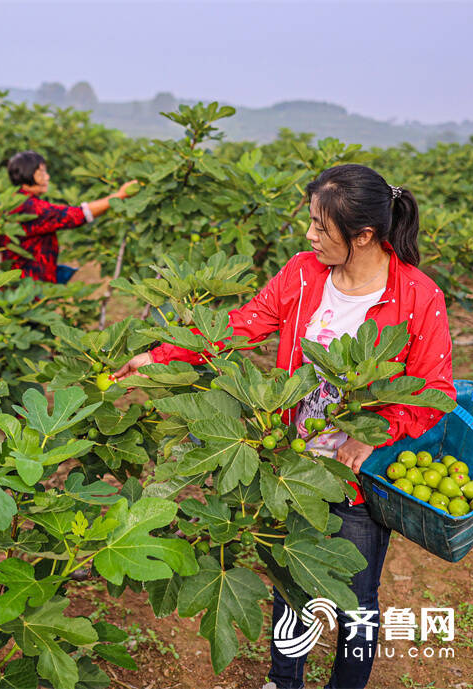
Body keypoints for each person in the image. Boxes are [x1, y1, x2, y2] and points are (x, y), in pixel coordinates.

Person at [115, 164, 455, 689]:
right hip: (287, 464)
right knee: (291, 585)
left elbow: (436, 393)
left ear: (363, 235)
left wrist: (373, 435)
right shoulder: (303, 272)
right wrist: (160, 357)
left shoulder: (418, 297)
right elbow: (240, 327)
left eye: (321, 227)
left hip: (353, 479)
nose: (309, 235)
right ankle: (283, 680)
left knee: (354, 601)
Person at [0, 150, 137, 284]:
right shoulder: (31, 207)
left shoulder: (11, 201)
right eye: (41, 173)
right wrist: (120, 195)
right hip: (31, 284)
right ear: (27, 174)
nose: (47, 177)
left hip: (14, 280)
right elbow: (76, 215)